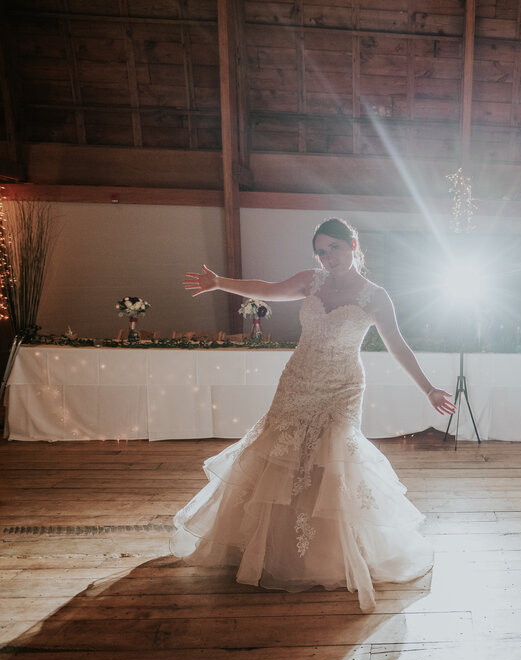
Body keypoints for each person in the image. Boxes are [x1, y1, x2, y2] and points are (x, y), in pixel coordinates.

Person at [170, 218, 455, 611]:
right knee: (282, 454)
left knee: (331, 459)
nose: (327, 257)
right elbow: (267, 289)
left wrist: (429, 388)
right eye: (321, 251)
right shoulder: (311, 281)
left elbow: (398, 346)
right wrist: (221, 282)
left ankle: (328, 554)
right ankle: (272, 548)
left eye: (333, 248)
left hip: (342, 386)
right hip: (299, 378)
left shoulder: (375, 296)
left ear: (353, 244)